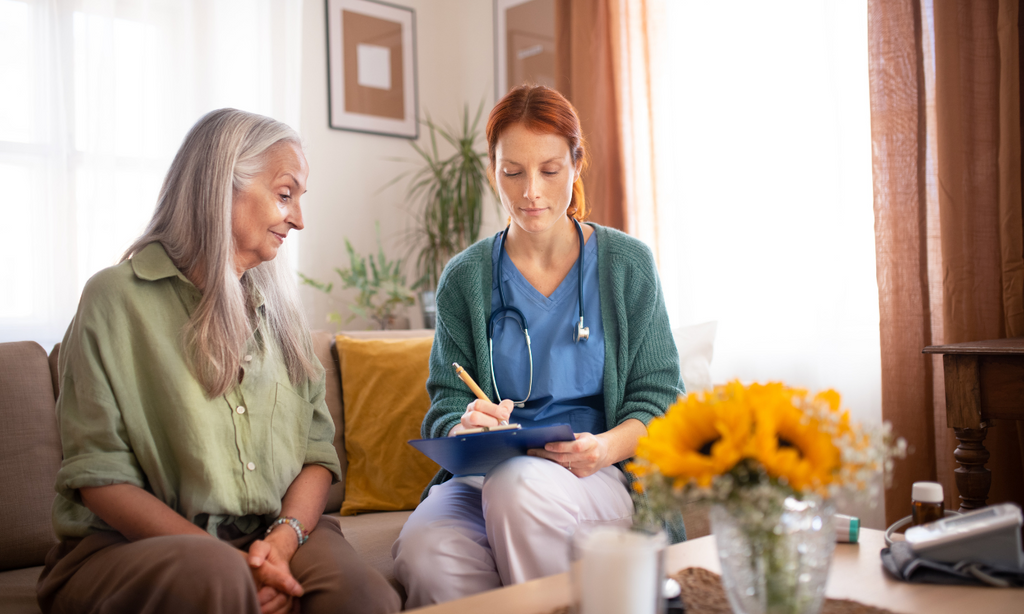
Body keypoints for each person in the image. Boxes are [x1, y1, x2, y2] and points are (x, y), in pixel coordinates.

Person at [37, 109, 401, 614]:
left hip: (272, 533)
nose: (298, 218)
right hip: (127, 547)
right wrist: (235, 564)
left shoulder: (284, 316)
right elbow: (100, 478)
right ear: (221, 186)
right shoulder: (114, 300)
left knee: (363, 598)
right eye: (284, 194)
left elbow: (317, 456)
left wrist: (282, 541)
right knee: (218, 581)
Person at [392, 85, 685, 608]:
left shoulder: (627, 265)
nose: (531, 191)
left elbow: (660, 400)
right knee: (425, 550)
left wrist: (604, 449)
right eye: (513, 171)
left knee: (519, 487)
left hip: (595, 475)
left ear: (576, 164)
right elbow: (444, 405)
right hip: (487, 477)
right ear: (492, 170)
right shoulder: (465, 278)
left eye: (550, 170)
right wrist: (465, 425)